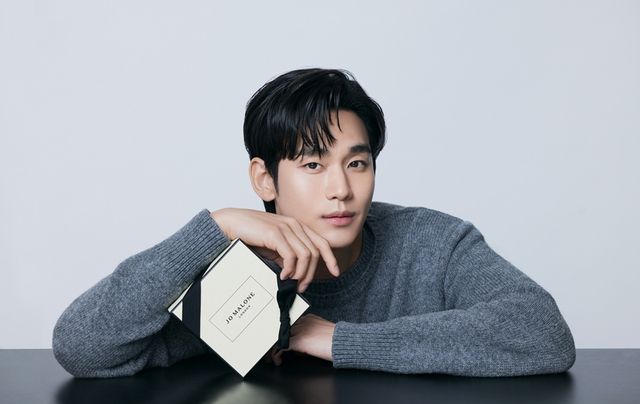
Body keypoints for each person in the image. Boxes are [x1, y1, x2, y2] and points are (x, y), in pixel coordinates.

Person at [52, 68, 576, 378]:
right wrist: (215, 227)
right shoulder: (227, 274)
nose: (341, 188)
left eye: (357, 163)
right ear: (264, 179)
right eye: (312, 165)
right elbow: (82, 347)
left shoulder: (432, 243)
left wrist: (328, 338)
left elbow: (542, 333)